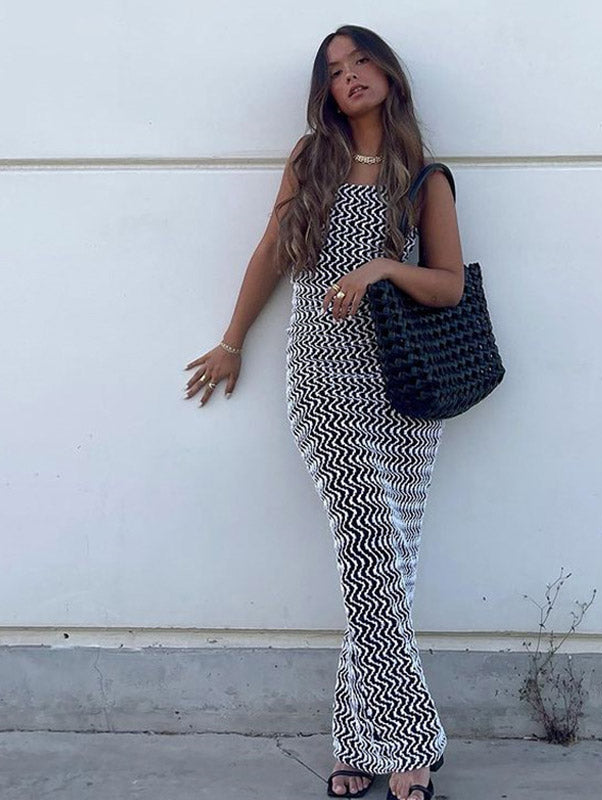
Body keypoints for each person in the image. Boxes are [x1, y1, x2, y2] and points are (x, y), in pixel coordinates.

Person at [183, 24, 464, 800]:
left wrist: (381, 268)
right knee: (366, 548)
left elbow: (448, 284)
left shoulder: (424, 175)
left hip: (403, 388)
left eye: (361, 60)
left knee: (385, 564)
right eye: (336, 71)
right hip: (322, 377)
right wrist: (232, 340)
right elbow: (271, 251)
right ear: (327, 92)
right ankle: (413, 740)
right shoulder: (313, 160)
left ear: (388, 72)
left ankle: (355, 740)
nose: (351, 76)